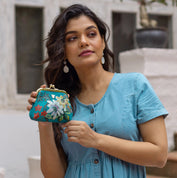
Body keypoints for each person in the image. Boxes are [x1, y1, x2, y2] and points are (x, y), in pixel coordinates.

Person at [27, 4, 168, 178]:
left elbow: (159, 155)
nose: (84, 42)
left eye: (91, 34)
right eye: (72, 38)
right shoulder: (61, 103)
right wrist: (44, 124)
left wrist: (96, 140)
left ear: (102, 42)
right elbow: (54, 175)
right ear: (63, 52)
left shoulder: (135, 85)